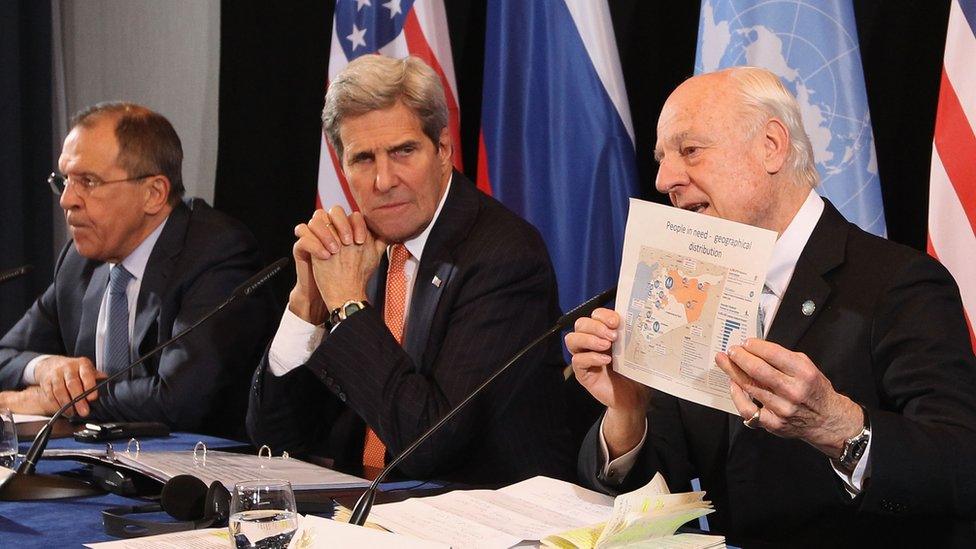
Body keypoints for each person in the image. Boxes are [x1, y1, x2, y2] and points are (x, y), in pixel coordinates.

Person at [566, 67, 976, 546]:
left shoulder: (900, 284)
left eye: (689, 150)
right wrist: (628, 415)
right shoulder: (689, 286)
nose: (664, 179)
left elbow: (962, 471)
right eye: (661, 159)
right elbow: (655, 502)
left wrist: (839, 426)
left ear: (772, 146)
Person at [246, 54, 573, 484]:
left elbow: (429, 444)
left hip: (474, 518)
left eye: (403, 151)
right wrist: (307, 307)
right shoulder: (358, 249)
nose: (383, 181)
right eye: (363, 159)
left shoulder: (504, 257)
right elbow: (275, 437)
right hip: (364, 509)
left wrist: (348, 305)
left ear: (442, 149)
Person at [0, 103, 276, 439]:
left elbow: (179, 399)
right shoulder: (79, 260)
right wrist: (46, 368)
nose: (67, 200)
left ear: (153, 194)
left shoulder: (217, 253)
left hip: (200, 474)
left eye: (87, 181)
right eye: (64, 181)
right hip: (102, 464)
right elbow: (5, 357)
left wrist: (50, 400)